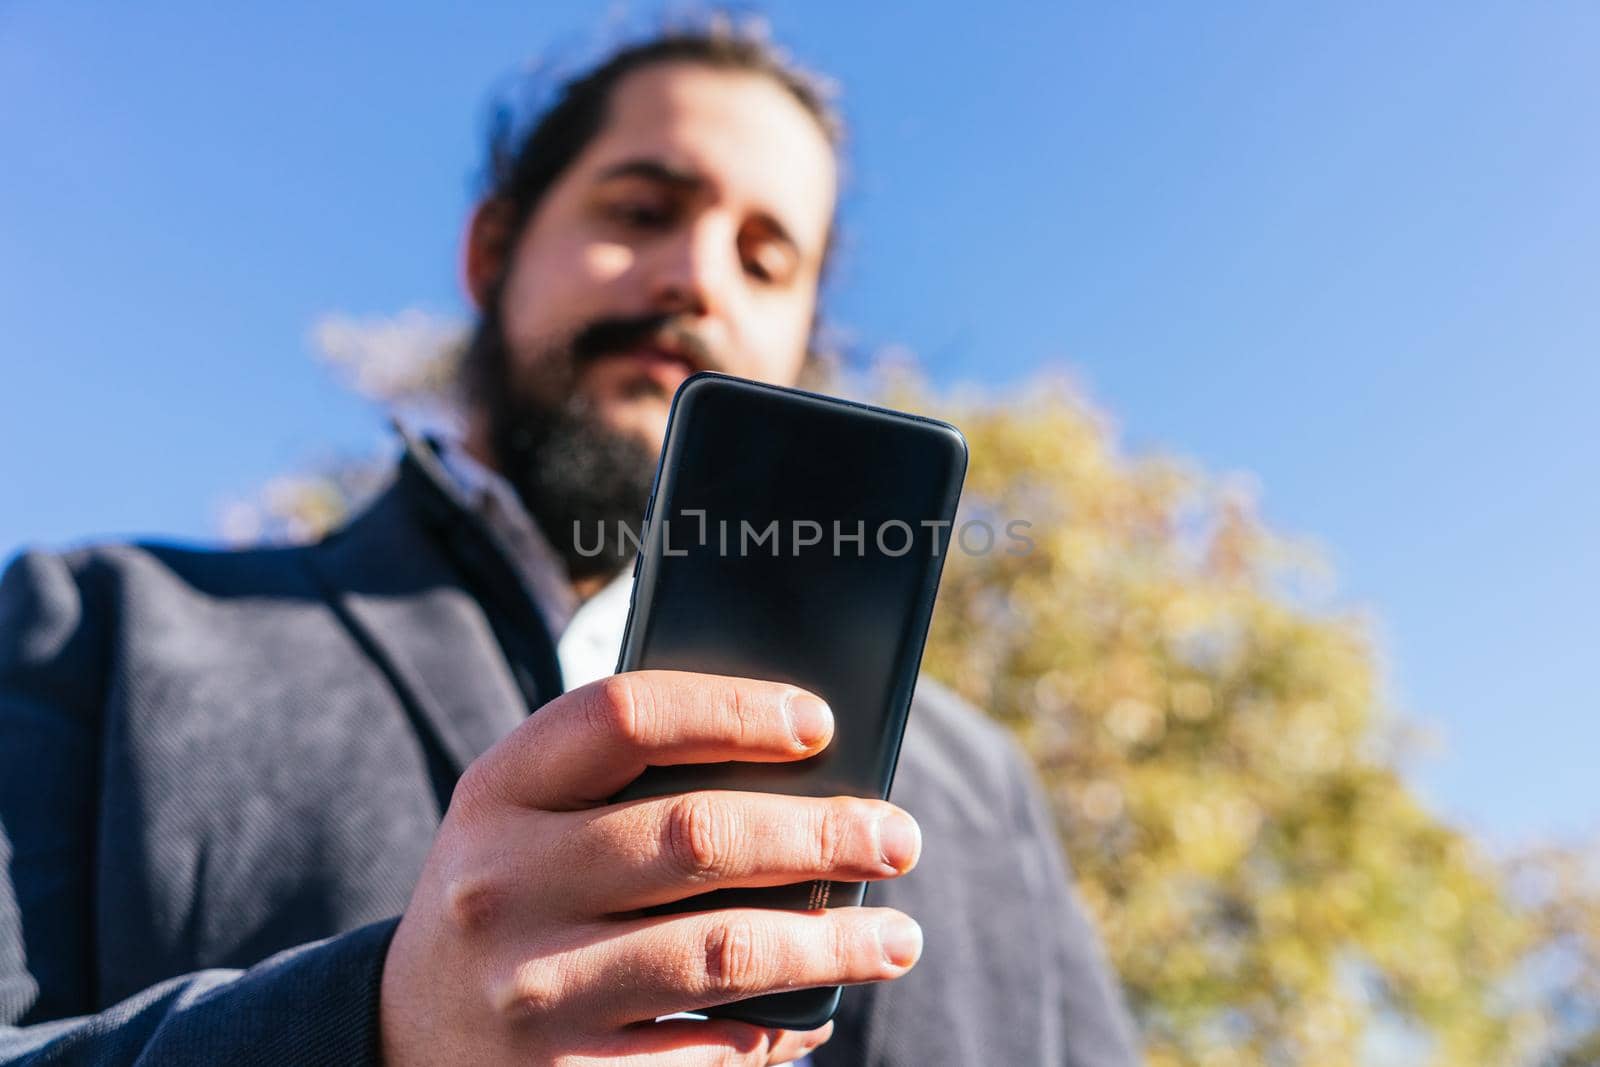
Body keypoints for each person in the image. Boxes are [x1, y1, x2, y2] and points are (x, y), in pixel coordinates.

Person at [0, 24, 1140, 1067]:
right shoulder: (99, 627)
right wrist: (386, 1029)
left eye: (764, 259)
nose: (695, 277)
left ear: (804, 337)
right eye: (641, 210)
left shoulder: (980, 787)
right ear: (492, 249)